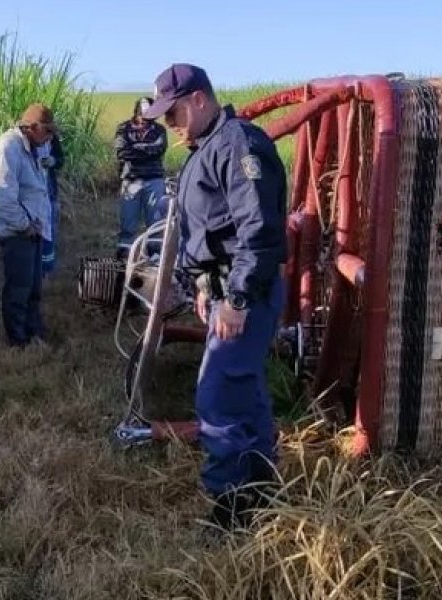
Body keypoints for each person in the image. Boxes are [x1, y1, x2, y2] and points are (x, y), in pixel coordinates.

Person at [141, 63, 288, 530]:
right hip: (225, 289)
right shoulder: (206, 147)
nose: (171, 125)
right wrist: (207, 287)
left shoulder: (239, 146)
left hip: (246, 292)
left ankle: (231, 510)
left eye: (175, 113)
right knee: (244, 390)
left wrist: (237, 299)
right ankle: (262, 488)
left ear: (200, 99)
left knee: (217, 397)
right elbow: (210, 231)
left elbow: (258, 230)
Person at [0, 103, 58, 347]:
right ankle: (18, 342)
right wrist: (25, 225)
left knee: (34, 288)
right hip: (18, 232)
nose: (50, 137)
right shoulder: (8, 148)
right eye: (47, 132)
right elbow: (2, 197)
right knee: (18, 289)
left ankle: (34, 333)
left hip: (34, 229)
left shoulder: (33, 146)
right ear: (33, 127)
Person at [114, 96, 168, 258]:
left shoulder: (159, 130)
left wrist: (135, 148)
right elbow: (122, 152)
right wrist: (147, 149)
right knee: (128, 223)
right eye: (143, 115)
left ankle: (155, 256)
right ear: (137, 113)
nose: (146, 119)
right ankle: (125, 256)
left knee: (155, 224)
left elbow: (159, 149)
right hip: (131, 181)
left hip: (154, 180)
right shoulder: (123, 128)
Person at [37, 133, 64, 276]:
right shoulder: (25, 143)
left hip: (49, 192)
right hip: (33, 197)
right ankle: (36, 269)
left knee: (49, 231)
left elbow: (61, 160)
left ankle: (46, 269)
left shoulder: (52, 138)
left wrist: (53, 161)